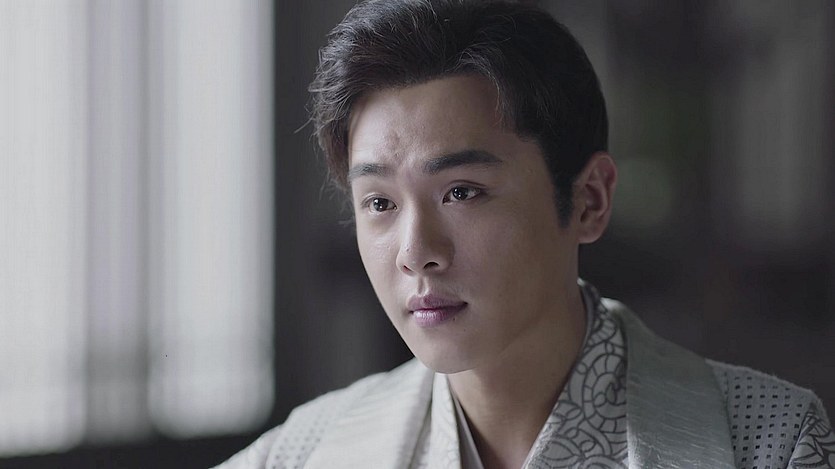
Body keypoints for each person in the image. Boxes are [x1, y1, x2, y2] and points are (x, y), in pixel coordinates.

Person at [219, 0, 834, 467]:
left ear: (589, 199)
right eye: (379, 202)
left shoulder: (770, 441)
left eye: (462, 192)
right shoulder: (301, 452)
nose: (416, 253)